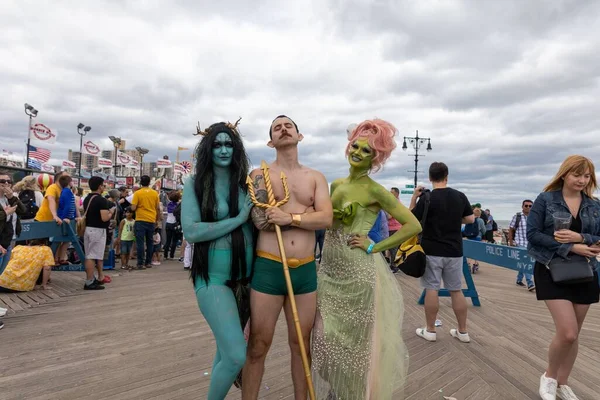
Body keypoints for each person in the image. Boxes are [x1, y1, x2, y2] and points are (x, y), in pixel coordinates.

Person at [311, 119, 421, 399]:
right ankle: (337, 388)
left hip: (358, 273)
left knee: (354, 344)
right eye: (356, 146)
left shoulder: (375, 190)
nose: (358, 152)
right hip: (329, 270)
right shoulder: (335, 184)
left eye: (367, 151)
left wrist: (375, 246)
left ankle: (348, 394)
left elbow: (412, 225)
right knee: (323, 337)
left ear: (376, 159)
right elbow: (326, 221)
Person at [243, 115, 332, 400]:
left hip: (305, 270)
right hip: (269, 266)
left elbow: (326, 218)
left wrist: (289, 217)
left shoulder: (315, 177)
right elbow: (260, 220)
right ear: (271, 141)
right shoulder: (259, 176)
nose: (283, 129)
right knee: (258, 343)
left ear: (299, 135)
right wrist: (306, 216)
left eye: (288, 126)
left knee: (302, 345)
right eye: (277, 128)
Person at [181, 120, 255, 399]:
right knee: (236, 355)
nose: (223, 150)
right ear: (207, 150)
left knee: (225, 352)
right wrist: (238, 219)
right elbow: (192, 231)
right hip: (212, 280)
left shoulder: (245, 184)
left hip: (246, 281)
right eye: (217, 145)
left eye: (229, 144)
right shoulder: (195, 184)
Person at [528, 155, 600, 400]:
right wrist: (569, 247)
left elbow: (598, 237)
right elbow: (533, 234)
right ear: (564, 174)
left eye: (587, 175)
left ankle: (563, 382)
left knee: (574, 335)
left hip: (584, 271)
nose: (582, 180)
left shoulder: (594, 204)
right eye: (577, 174)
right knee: (567, 332)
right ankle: (549, 376)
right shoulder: (546, 200)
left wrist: (580, 239)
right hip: (551, 268)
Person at [409, 162, 474, 344]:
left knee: (432, 288)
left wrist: (415, 197)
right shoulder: (459, 196)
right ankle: (463, 331)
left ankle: (430, 330)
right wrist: (454, 219)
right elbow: (470, 219)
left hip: (431, 250)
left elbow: (412, 218)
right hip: (454, 250)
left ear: (430, 178)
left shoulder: (427, 198)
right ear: (447, 176)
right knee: (456, 289)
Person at [82, 176, 116, 290]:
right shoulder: (101, 200)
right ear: (99, 186)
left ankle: (91, 278)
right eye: (103, 185)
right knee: (92, 256)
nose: (104, 187)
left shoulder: (87, 198)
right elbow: (104, 218)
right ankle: (89, 281)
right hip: (97, 230)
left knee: (89, 255)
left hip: (88, 229)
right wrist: (111, 212)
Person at [131, 175, 160, 270]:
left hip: (140, 220)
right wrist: (157, 220)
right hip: (151, 220)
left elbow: (133, 208)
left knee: (140, 243)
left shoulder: (137, 193)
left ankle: (140, 263)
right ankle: (148, 262)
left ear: (141, 183)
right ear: (149, 183)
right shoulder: (155, 193)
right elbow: (157, 208)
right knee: (150, 242)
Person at [0, 172, 25, 272]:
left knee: (1, 272)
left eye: (8, 181)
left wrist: (11, 197)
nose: (6, 183)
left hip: (8, 240)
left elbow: (22, 211)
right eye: (2, 181)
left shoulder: (8, 198)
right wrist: (6, 213)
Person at [509, 200, 535, 291]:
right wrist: (511, 242)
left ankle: (519, 280)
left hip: (531, 244)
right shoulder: (517, 217)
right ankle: (530, 283)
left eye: (530, 206)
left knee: (523, 262)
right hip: (520, 243)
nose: (528, 207)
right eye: (526, 205)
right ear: (522, 206)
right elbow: (511, 229)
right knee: (526, 262)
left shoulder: (535, 217)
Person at [164, 191, 182, 260]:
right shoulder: (178, 206)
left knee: (168, 240)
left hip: (168, 223)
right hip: (175, 224)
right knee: (174, 241)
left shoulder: (169, 205)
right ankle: (171, 255)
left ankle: (165, 255)